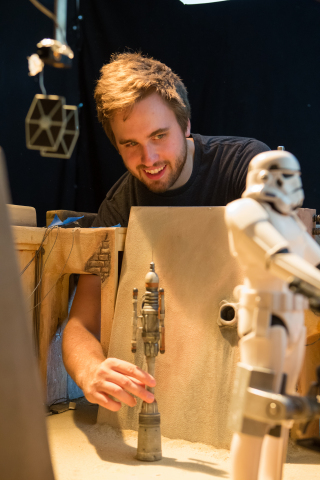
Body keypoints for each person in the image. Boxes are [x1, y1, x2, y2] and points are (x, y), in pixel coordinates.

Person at [62, 52, 270, 412]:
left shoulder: (246, 167)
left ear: (185, 124)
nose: (149, 157)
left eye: (160, 135)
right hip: (167, 385)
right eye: (130, 144)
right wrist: (91, 371)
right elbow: (81, 322)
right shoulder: (119, 205)